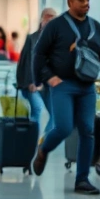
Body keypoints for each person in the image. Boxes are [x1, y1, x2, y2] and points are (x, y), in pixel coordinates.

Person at [31, 0, 100, 195]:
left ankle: (82, 180)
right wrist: (46, 78)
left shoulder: (96, 27)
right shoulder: (56, 26)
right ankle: (43, 150)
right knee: (63, 127)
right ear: (70, 2)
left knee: (87, 130)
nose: (86, 3)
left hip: (87, 86)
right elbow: (38, 53)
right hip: (63, 85)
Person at [17, 8, 58, 141]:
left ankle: (42, 140)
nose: (49, 20)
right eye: (47, 17)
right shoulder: (32, 38)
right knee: (37, 108)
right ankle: (31, 140)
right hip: (33, 83)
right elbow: (26, 62)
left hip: (49, 84)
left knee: (55, 114)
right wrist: (31, 82)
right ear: (41, 19)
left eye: (53, 18)